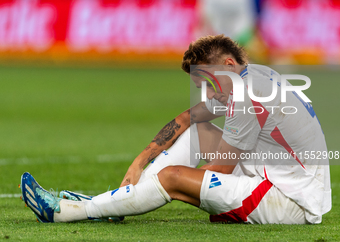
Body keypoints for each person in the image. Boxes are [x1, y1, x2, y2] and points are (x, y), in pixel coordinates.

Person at [20, 34, 331, 224]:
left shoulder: (246, 93)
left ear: (228, 63)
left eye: (209, 83)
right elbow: (187, 119)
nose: (208, 94)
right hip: (277, 175)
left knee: (172, 179)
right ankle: (108, 203)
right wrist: (139, 161)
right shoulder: (251, 76)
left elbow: (219, 170)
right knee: (196, 134)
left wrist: (160, 186)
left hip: (291, 201)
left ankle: (71, 211)